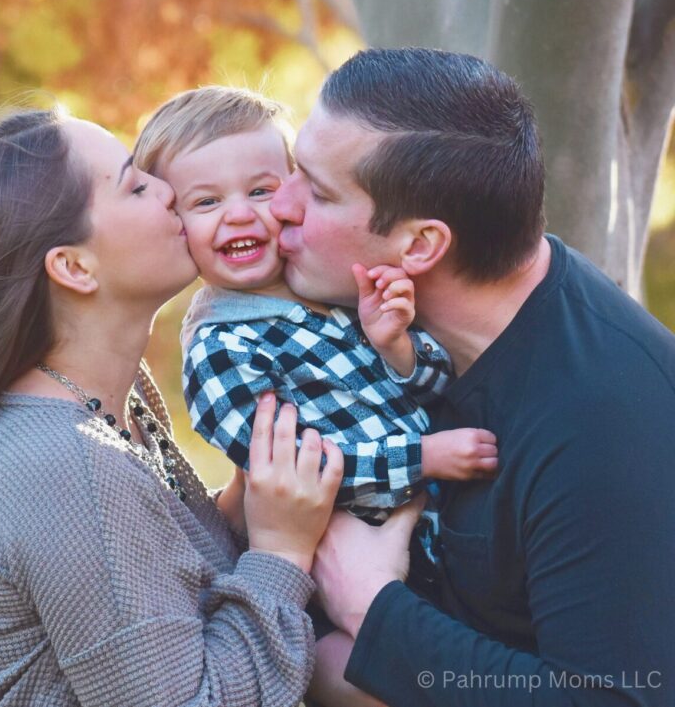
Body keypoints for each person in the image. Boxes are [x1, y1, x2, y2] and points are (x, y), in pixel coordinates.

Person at [0, 108, 344, 707]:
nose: (167, 188)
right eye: (134, 183)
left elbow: (171, 589)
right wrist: (280, 552)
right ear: (74, 267)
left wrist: (250, 507)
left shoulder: (117, 407)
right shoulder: (65, 463)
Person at [270, 47, 675, 706]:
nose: (278, 205)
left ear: (420, 245)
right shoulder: (369, 331)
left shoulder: (608, 422)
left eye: (316, 191)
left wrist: (374, 610)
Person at [133, 86, 498, 703]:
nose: (241, 214)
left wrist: (398, 350)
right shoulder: (222, 350)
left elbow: (440, 385)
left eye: (261, 190)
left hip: (443, 536)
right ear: (175, 225)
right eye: (206, 201)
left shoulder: (332, 289)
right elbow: (294, 473)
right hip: (349, 568)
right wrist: (422, 457)